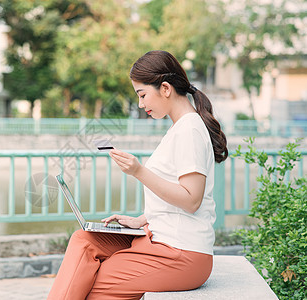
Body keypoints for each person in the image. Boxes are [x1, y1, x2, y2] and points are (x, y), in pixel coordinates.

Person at [47, 50, 228, 300]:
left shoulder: (190, 130)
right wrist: (142, 219)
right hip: (159, 238)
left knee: (92, 283)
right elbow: (177, 198)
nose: (141, 104)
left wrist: (139, 171)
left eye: (142, 95)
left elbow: (191, 200)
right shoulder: (181, 128)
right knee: (84, 240)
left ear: (165, 88)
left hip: (181, 253)